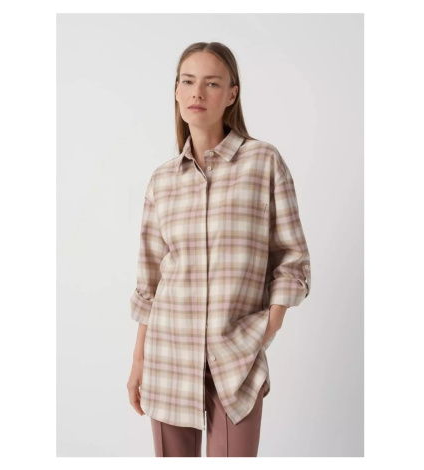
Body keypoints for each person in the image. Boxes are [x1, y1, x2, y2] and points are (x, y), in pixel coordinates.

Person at [126, 42, 311, 457]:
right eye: (188, 82)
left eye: (212, 83)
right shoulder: (162, 181)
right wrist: (139, 361)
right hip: (168, 356)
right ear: (176, 91)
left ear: (231, 94)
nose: (197, 93)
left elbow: (292, 257)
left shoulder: (263, 162)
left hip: (236, 357)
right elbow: (149, 281)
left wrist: (268, 326)